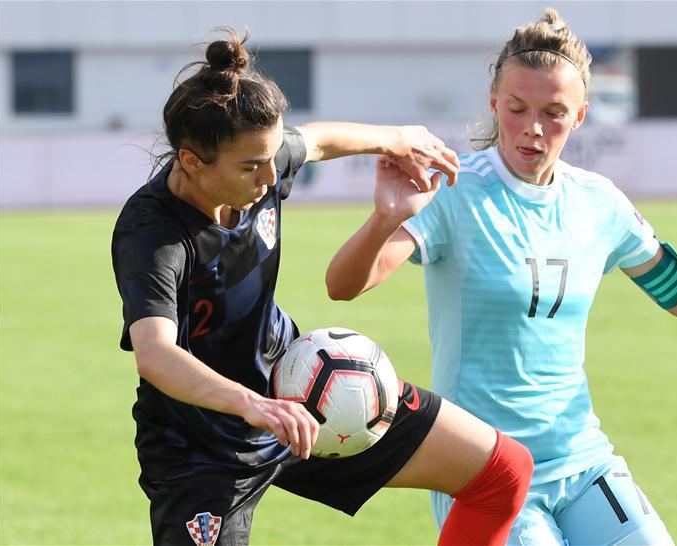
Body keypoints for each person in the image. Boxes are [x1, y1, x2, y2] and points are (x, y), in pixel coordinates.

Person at [325, 9, 677, 546]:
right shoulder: (455, 189)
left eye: (554, 113)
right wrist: (384, 220)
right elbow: (344, 285)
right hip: (486, 470)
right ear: (494, 103)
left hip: (583, 462)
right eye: (517, 108)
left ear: (580, 116)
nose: (533, 128)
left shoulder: (599, 202)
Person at [111, 28, 533, 546]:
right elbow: (155, 353)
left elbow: (317, 140)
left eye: (274, 157)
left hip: (304, 391)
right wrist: (252, 405)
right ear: (191, 161)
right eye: (252, 166)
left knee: (502, 472)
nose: (272, 178)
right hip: (202, 448)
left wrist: (394, 138)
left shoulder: (257, 159)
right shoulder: (152, 234)